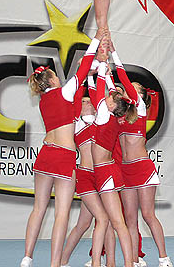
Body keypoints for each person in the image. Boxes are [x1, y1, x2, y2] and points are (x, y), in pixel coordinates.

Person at [22, 28, 103, 267]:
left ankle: (27, 257)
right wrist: (96, 39)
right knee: (61, 214)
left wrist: (89, 73)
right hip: (64, 156)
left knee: (38, 208)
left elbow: (77, 89)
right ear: (52, 80)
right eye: (56, 76)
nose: (60, 78)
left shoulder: (44, 101)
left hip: (45, 154)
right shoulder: (64, 92)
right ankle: (55, 263)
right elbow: (82, 70)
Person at [107, 45, 173, 267]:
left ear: (141, 96)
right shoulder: (121, 113)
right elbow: (112, 91)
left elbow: (124, 81)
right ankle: (134, 260)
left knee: (148, 215)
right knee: (130, 220)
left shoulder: (141, 109)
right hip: (125, 171)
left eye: (134, 89)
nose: (128, 90)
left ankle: (164, 257)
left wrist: (114, 54)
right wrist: (105, 71)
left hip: (142, 169)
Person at [90, 55, 137, 267]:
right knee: (110, 222)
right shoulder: (114, 116)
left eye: (110, 98)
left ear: (111, 105)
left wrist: (102, 67)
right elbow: (111, 93)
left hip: (106, 172)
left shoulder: (104, 115)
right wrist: (108, 74)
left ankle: (128, 263)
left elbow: (101, 91)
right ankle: (110, 262)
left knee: (117, 222)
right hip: (106, 171)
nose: (107, 98)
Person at [61, 86, 113, 267]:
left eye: (89, 101)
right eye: (83, 102)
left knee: (84, 224)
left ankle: (63, 261)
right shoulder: (77, 124)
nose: (87, 103)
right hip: (85, 176)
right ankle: (95, 262)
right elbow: (75, 98)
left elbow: (103, 100)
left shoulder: (101, 120)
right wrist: (85, 76)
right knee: (103, 218)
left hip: (102, 176)